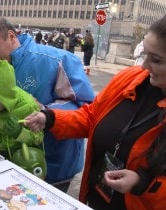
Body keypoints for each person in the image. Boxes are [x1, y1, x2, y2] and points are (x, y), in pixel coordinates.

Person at [24, 15, 166, 210]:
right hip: (94, 200)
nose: (144, 65)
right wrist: (50, 118)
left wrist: (142, 183)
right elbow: (92, 116)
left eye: (156, 60)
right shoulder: (129, 78)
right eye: (145, 54)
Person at [0, 16, 95, 191]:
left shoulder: (58, 60)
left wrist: (45, 111)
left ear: (11, 36)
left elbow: (86, 109)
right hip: (6, 162)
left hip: (53, 165)